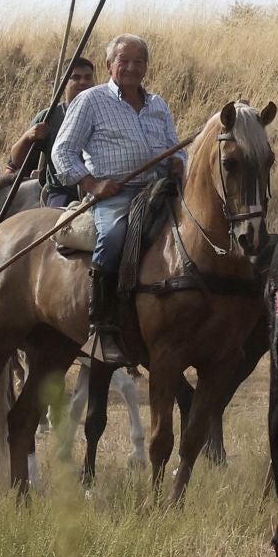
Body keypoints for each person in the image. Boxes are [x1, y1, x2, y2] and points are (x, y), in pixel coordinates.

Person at [51, 34, 187, 366]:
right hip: (117, 193)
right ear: (110, 64)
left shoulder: (158, 104)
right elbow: (62, 151)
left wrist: (177, 161)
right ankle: (101, 327)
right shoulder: (91, 101)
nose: (131, 67)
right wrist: (92, 183)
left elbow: (176, 147)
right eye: (123, 60)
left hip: (161, 190)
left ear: (146, 67)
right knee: (113, 237)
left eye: (139, 61)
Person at [9, 56, 96, 206]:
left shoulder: (107, 112)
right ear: (64, 82)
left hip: (101, 188)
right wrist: (28, 137)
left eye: (88, 77)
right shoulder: (49, 116)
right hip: (62, 193)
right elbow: (17, 160)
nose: (83, 82)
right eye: (75, 77)